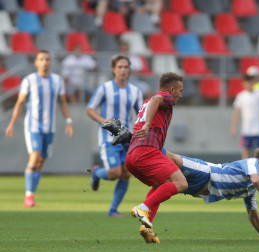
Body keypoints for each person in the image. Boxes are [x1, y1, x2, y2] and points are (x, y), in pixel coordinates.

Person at [102, 123, 259, 243]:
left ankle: (146, 225)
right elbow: (256, 180)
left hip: (198, 188)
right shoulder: (252, 164)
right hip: (206, 172)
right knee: (169, 157)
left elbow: (253, 216)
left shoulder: (249, 189)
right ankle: (128, 138)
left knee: (161, 185)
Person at [4, 50, 74, 207]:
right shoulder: (29, 80)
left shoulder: (57, 80)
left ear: (50, 62)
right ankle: (28, 196)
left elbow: (62, 101)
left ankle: (32, 194)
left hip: (50, 127)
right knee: (35, 157)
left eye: (47, 59)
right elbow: (20, 102)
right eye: (41, 59)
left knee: (41, 160)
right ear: (36, 62)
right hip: (33, 126)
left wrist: (68, 121)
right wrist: (12, 123)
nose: (44, 62)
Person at [126, 72, 188, 230]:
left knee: (162, 186)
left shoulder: (146, 103)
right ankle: (142, 208)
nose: (180, 95)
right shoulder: (163, 97)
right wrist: (147, 124)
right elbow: (157, 99)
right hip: (147, 151)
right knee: (181, 183)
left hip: (132, 157)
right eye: (180, 90)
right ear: (172, 89)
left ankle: (147, 225)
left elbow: (153, 101)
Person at [86, 55, 143, 217]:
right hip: (108, 138)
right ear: (113, 69)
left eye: (126, 67)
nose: (123, 70)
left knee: (126, 173)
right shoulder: (105, 88)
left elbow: (141, 114)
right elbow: (90, 109)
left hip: (127, 139)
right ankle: (96, 173)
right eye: (120, 67)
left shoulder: (135, 91)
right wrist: (103, 120)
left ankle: (112, 210)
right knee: (114, 173)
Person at [230, 71, 259, 159]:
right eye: (247, 82)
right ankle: (246, 171)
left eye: (250, 82)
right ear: (243, 83)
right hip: (247, 129)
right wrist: (233, 126)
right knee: (246, 150)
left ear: (253, 83)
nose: (249, 84)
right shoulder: (241, 96)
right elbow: (237, 112)